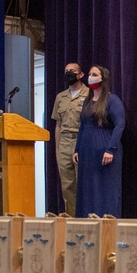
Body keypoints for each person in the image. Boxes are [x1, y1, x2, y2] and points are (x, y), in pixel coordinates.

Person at [73, 65, 125, 217]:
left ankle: (107, 227)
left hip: (105, 151)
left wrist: (111, 149)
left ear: (103, 78)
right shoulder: (87, 102)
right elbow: (82, 126)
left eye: (94, 74)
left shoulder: (112, 100)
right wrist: (77, 149)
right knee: (88, 190)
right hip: (87, 152)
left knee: (106, 190)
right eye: (89, 74)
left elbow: (120, 125)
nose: (90, 77)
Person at [51, 62, 89, 216]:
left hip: (82, 141)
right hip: (65, 142)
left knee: (83, 184)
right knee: (67, 186)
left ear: (80, 75)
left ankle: (88, 218)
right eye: (66, 71)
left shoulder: (89, 94)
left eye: (72, 71)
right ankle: (73, 220)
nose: (68, 74)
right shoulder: (61, 97)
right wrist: (57, 148)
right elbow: (58, 125)